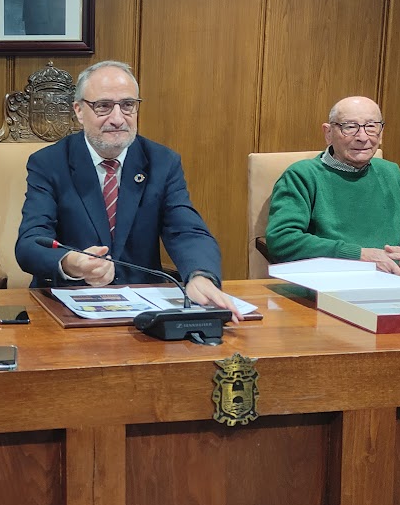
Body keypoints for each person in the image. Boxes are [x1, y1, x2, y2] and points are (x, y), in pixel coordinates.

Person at [14, 60, 239, 317]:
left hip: (143, 306)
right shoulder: (49, 163)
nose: (118, 118)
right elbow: (30, 243)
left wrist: (201, 275)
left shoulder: (162, 162)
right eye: (104, 106)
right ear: (78, 110)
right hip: (67, 304)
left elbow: (187, 230)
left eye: (128, 105)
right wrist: (71, 263)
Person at [266, 95, 400, 274]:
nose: (362, 137)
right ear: (328, 133)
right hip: (324, 288)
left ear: (381, 133)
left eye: (371, 127)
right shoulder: (302, 175)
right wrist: (358, 256)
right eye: (350, 127)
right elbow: (283, 240)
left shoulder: (390, 173)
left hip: (390, 286)